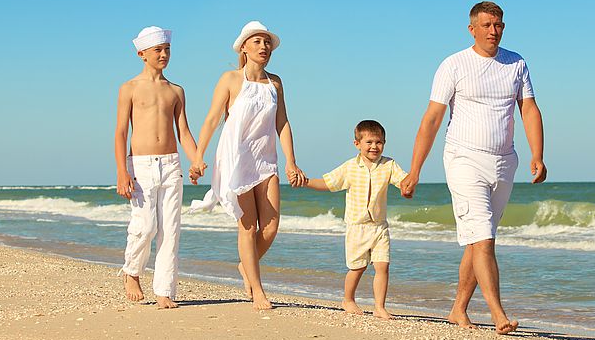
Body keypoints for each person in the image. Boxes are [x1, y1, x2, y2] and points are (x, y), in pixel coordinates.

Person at [400, 1, 547, 334]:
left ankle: (458, 309)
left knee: (479, 238)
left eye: (498, 25)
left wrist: (537, 154)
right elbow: (432, 119)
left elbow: (530, 109)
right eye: (486, 25)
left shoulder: (517, 63)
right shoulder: (454, 65)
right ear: (472, 29)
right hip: (463, 158)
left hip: (504, 161)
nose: (493, 31)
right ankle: (498, 314)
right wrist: (415, 170)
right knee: (484, 240)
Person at [189, 21, 307, 310]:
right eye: (257, 42)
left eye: (267, 43)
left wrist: (292, 161)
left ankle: (246, 266)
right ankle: (257, 290)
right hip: (236, 158)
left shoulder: (275, 82)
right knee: (247, 226)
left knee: (270, 226)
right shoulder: (230, 79)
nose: (263, 47)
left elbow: (282, 122)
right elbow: (212, 119)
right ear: (244, 47)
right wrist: (198, 156)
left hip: (266, 158)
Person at [114, 26, 198, 309]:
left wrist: (195, 159)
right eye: (158, 50)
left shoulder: (176, 91)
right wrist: (121, 171)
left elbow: (183, 131)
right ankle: (132, 271)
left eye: (167, 50)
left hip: (171, 164)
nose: (164, 55)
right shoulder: (129, 88)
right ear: (141, 54)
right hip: (140, 165)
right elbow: (121, 133)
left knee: (170, 230)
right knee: (146, 225)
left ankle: (164, 290)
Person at [303, 120, 407, 320]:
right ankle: (348, 299)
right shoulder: (350, 167)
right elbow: (328, 183)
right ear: (357, 143)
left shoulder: (389, 165)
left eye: (379, 142)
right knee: (357, 267)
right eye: (369, 142)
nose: (374, 146)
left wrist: (408, 186)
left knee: (382, 266)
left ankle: (379, 307)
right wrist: (306, 182)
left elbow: (403, 180)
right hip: (357, 227)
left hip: (379, 227)